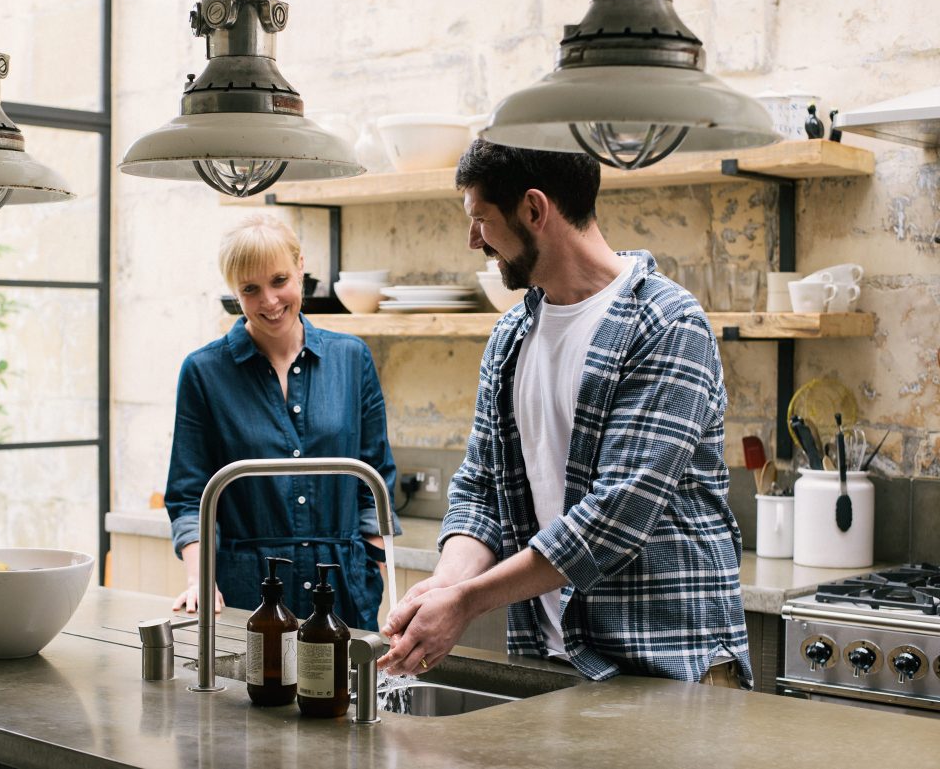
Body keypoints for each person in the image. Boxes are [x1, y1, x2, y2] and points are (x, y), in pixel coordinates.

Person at [378, 140, 751, 688]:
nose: (473, 241)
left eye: (481, 220)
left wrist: (467, 602)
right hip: (554, 661)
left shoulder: (667, 324)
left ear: (534, 210)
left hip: (669, 667)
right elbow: (481, 488)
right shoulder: (511, 336)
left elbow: (614, 518)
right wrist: (446, 585)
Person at [164, 214, 400, 632]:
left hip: (344, 588)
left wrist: (375, 567)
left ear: (300, 269)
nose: (269, 301)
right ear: (234, 292)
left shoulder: (351, 359)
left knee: (344, 698)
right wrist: (199, 579)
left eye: (278, 280)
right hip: (247, 596)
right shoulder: (203, 372)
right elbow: (189, 496)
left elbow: (375, 478)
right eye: (250, 289)